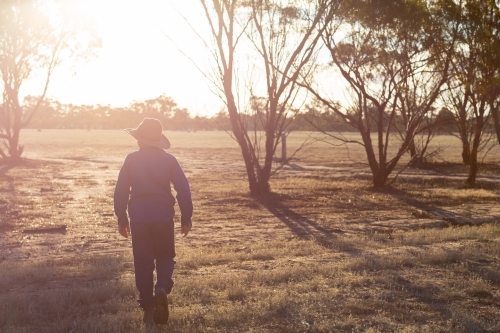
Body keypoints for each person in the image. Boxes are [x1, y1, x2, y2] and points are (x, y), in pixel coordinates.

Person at [114, 117, 193, 327]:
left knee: (143, 261)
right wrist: (187, 216)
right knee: (166, 256)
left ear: (139, 140)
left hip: (139, 218)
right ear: (158, 141)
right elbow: (183, 189)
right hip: (163, 216)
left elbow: (120, 191)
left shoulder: (131, 159)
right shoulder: (169, 160)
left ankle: (148, 304)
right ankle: (162, 288)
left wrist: (121, 217)